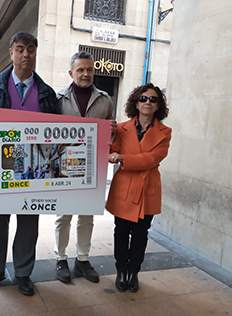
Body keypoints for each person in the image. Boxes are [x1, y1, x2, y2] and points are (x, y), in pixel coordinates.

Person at [0, 31, 58, 296]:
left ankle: (23, 273)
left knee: (29, 223)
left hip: (34, 169)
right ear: (11, 53)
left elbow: (57, 131)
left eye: (31, 49)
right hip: (2, 166)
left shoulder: (46, 93)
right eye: (20, 49)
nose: (26, 55)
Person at [54, 51, 114, 284]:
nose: (85, 74)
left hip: (92, 166)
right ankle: (60, 258)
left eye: (89, 69)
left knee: (87, 215)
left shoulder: (105, 100)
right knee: (64, 215)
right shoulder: (58, 99)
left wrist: (113, 130)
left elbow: (111, 132)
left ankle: (83, 259)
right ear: (71, 73)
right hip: (65, 165)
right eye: (80, 70)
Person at [106, 83, 171, 293]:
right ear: (136, 102)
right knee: (121, 233)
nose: (148, 102)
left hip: (147, 190)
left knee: (141, 235)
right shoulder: (122, 128)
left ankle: (134, 273)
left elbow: (151, 159)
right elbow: (112, 151)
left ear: (158, 104)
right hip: (124, 188)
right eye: (143, 98)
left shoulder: (165, 132)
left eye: (153, 99)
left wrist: (123, 158)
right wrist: (108, 141)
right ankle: (120, 271)